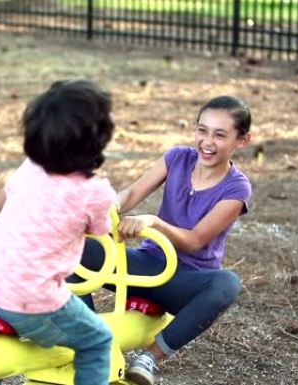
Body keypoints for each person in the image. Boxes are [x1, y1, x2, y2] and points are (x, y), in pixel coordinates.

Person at [68, 95, 253, 385]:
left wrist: (152, 221)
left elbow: (194, 241)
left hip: (184, 283)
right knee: (69, 246)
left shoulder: (237, 189)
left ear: (242, 140)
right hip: (147, 267)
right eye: (202, 130)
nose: (207, 141)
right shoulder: (177, 158)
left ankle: (150, 357)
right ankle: (91, 341)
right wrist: (105, 210)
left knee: (227, 283)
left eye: (220, 134)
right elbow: (128, 196)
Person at [0, 80, 117, 385]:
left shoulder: (31, 167)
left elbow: (2, 201)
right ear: (98, 139)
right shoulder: (95, 192)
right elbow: (103, 233)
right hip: (32, 297)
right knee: (98, 340)